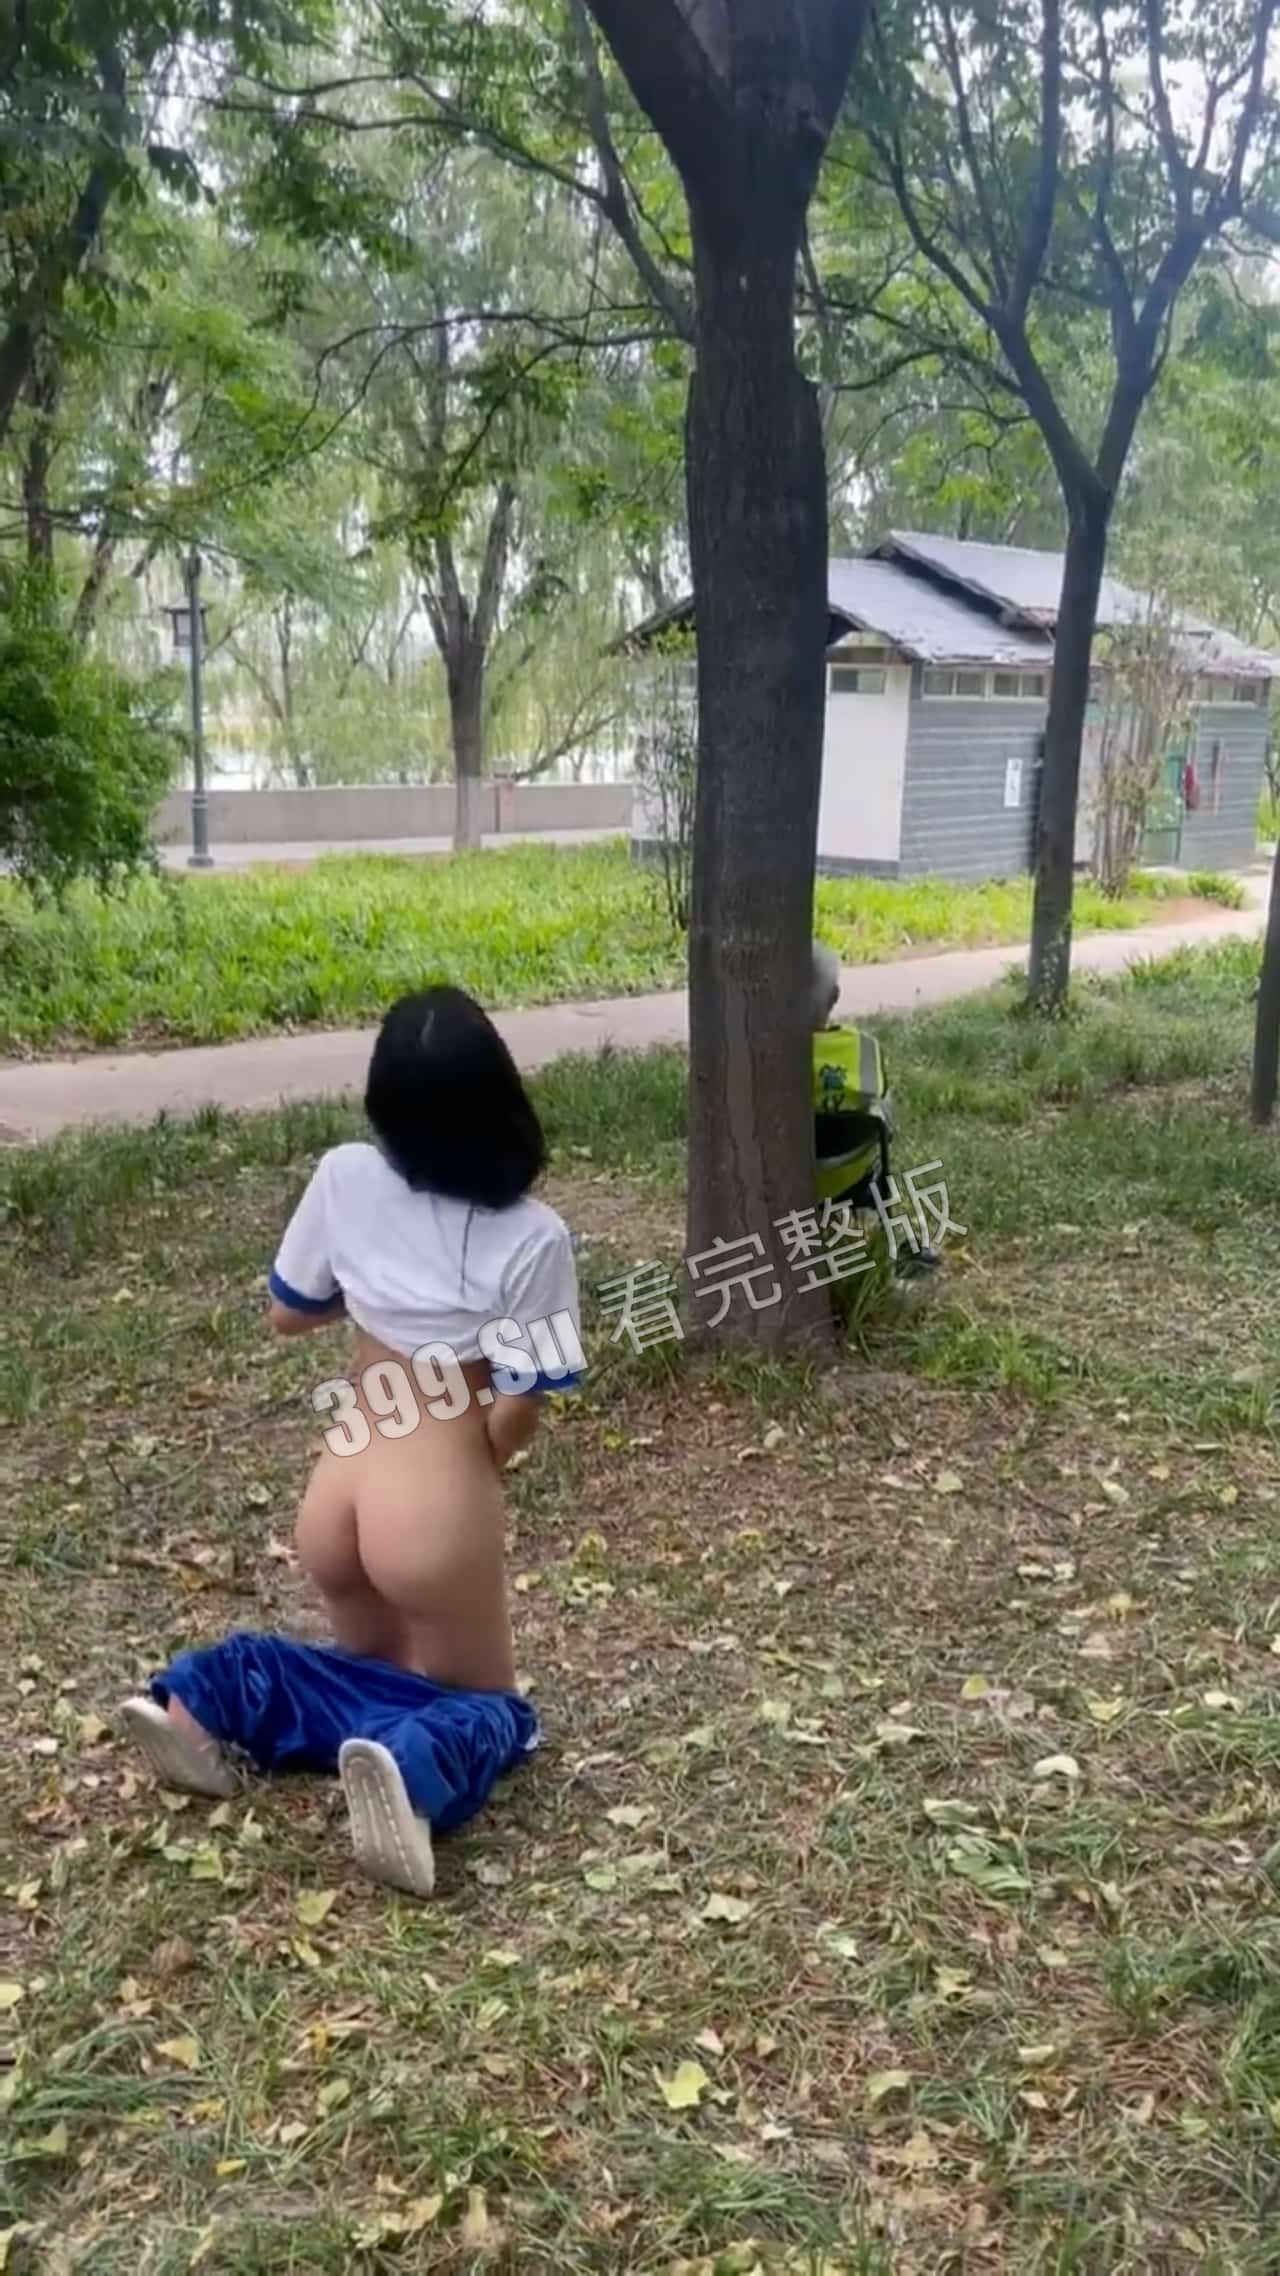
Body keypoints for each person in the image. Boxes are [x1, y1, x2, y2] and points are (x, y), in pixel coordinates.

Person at [121, 986, 581, 1897]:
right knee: (492, 1710)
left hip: (339, 1485)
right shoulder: (535, 1237)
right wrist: (479, 1467)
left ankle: (203, 1697)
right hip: (433, 1495)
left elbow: (287, 1312)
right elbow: (521, 1403)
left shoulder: (344, 1175)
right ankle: (408, 1772)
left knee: (362, 1675)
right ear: (501, 1099)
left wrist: (371, 1288)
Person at [810, 942, 940, 1280]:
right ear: (834, 997)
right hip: (849, 1184)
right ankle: (887, 1248)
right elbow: (887, 1122)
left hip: (773, 1184)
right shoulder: (864, 1049)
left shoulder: (758, 1057)